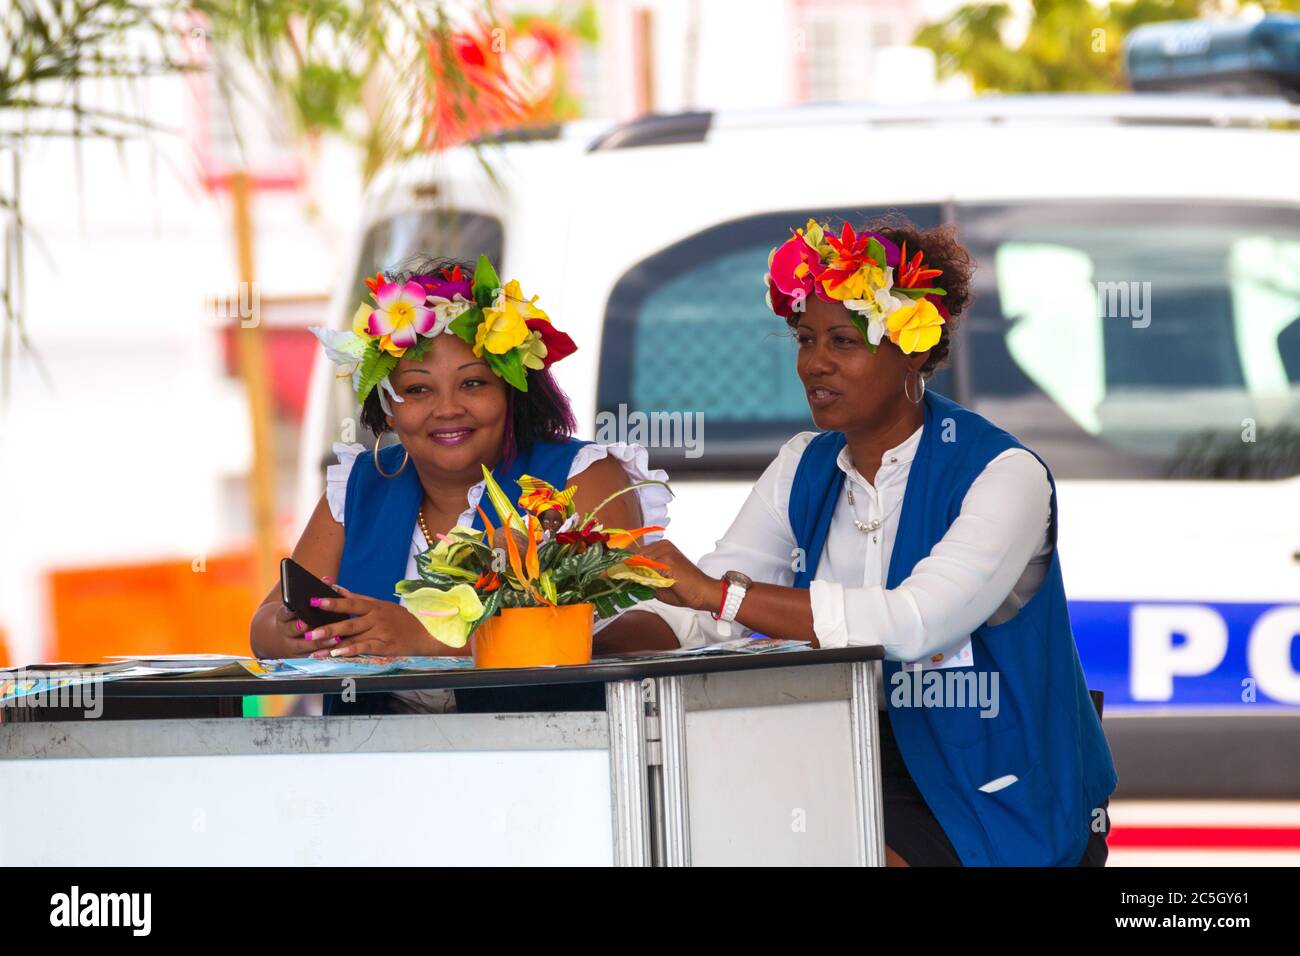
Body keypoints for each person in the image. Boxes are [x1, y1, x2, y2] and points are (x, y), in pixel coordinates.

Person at [622, 216, 1118, 866]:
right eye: (805, 339)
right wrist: (572, 639)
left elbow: (913, 625)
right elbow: (694, 613)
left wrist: (717, 595)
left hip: (994, 779)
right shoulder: (804, 464)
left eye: (843, 340)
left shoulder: (1003, 474)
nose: (814, 363)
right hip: (848, 753)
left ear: (912, 349)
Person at [248, 255, 676, 714]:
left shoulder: (582, 476)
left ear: (513, 391)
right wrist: (293, 631)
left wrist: (427, 638)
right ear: (387, 407)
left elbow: (646, 630)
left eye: (473, 384)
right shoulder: (356, 487)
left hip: (547, 758)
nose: (447, 408)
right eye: (417, 389)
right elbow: (262, 628)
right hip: (375, 766)